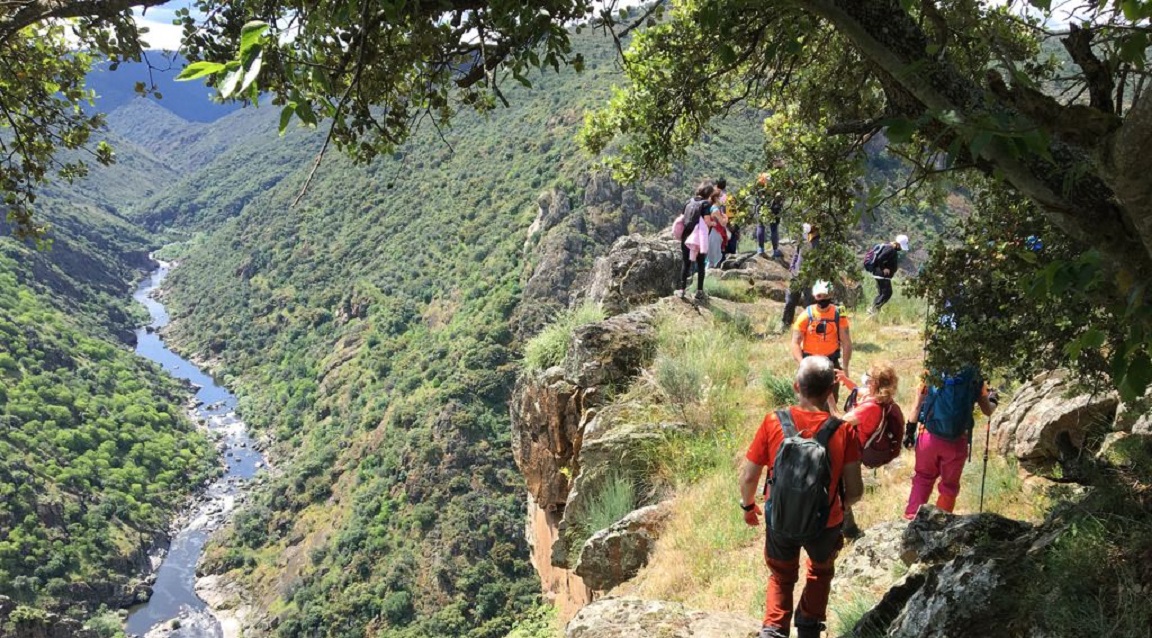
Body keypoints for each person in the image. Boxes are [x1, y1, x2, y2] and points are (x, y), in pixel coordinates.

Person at [739, 356, 864, 638]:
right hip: (825, 523)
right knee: (820, 573)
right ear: (832, 391)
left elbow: (748, 477)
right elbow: (855, 491)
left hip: (780, 519)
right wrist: (838, 510)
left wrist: (748, 506)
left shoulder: (774, 421)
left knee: (781, 577)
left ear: (796, 386)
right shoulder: (844, 431)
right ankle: (809, 628)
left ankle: (773, 630)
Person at [902, 367, 998, 519]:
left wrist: (909, 432)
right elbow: (987, 410)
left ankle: (911, 518)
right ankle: (941, 523)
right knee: (949, 486)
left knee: (923, 478)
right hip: (957, 441)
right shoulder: (975, 376)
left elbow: (916, 406)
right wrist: (993, 399)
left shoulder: (931, 371)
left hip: (928, 438)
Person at [834, 362, 900, 539]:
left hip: (851, 452)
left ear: (874, 383)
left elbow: (840, 423)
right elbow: (859, 391)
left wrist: (829, 400)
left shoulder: (870, 407)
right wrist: (846, 380)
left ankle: (847, 529)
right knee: (840, 488)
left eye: (868, 377)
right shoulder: (880, 398)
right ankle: (848, 527)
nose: (865, 380)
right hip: (851, 449)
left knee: (840, 488)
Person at [791, 280, 852, 381]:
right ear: (815, 296)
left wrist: (845, 367)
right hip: (810, 362)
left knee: (831, 394)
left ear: (831, 295)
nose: (823, 299)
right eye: (819, 296)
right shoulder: (806, 315)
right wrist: (802, 364)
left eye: (826, 296)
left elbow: (846, 341)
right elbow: (795, 342)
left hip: (831, 362)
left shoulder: (839, 314)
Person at [677, 182, 714, 301]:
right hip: (698, 237)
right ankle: (699, 291)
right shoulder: (705, 204)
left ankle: (682, 290)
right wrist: (714, 223)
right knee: (700, 263)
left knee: (686, 263)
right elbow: (707, 222)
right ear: (708, 194)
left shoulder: (689, 201)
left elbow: (682, 217)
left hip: (686, 236)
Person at [780, 223, 819, 330]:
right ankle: (785, 325)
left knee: (809, 304)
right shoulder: (804, 237)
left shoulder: (821, 242)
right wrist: (792, 266)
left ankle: (811, 327)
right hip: (796, 275)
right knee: (790, 301)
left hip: (810, 278)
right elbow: (797, 253)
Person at [869, 234, 909, 314]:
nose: (901, 248)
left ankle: (874, 309)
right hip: (882, 275)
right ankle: (874, 309)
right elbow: (880, 258)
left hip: (880, 274)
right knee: (887, 293)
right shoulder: (891, 249)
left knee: (882, 293)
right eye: (901, 246)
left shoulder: (890, 248)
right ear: (897, 244)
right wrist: (884, 268)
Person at [768, 191, 784, 258]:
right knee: (774, 229)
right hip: (774, 210)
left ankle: (775, 249)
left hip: (772, 209)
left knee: (774, 229)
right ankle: (775, 250)